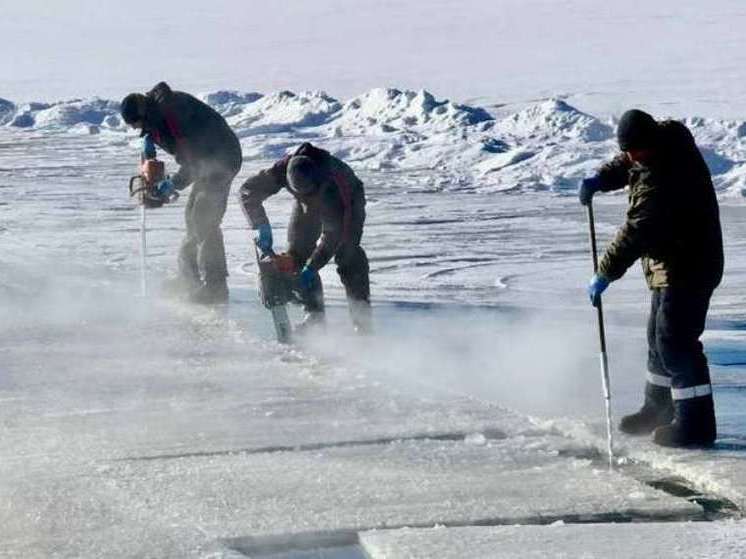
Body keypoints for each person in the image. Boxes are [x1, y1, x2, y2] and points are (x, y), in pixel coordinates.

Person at [579, 109, 723, 448]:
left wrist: (604, 272)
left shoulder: (664, 179)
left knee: (676, 342)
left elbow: (637, 231)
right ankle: (657, 409)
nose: (630, 158)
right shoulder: (660, 143)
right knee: (657, 339)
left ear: (649, 146)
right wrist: (601, 178)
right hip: (669, 265)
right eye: (627, 151)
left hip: (690, 265)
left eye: (634, 151)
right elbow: (629, 162)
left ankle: (696, 425)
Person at [120, 82, 242, 304]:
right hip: (206, 161)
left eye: (138, 125)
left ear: (143, 114)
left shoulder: (175, 112)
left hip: (222, 159)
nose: (139, 129)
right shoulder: (157, 115)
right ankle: (188, 279)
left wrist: (173, 184)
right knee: (191, 217)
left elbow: (195, 161)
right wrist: (150, 141)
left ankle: (216, 287)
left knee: (205, 218)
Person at [239, 142, 371, 333]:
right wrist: (260, 226)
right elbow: (248, 191)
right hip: (306, 197)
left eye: (310, 195)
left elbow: (333, 236)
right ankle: (314, 315)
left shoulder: (334, 185)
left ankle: (363, 323)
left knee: (347, 254)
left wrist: (311, 268)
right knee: (297, 252)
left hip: (348, 200)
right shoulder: (283, 170)